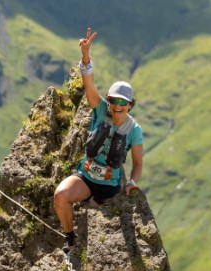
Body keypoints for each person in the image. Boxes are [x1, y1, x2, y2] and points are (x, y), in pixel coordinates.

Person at [54, 28, 143, 253]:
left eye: (123, 103)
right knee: (61, 195)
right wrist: (86, 57)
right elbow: (89, 83)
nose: (117, 106)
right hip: (85, 177)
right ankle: (70, 238)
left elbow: (138, 162)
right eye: (114, 100)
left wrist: (131, 182)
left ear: (130, 105)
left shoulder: (134, 130)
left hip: (109, 187)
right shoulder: (101, 109)